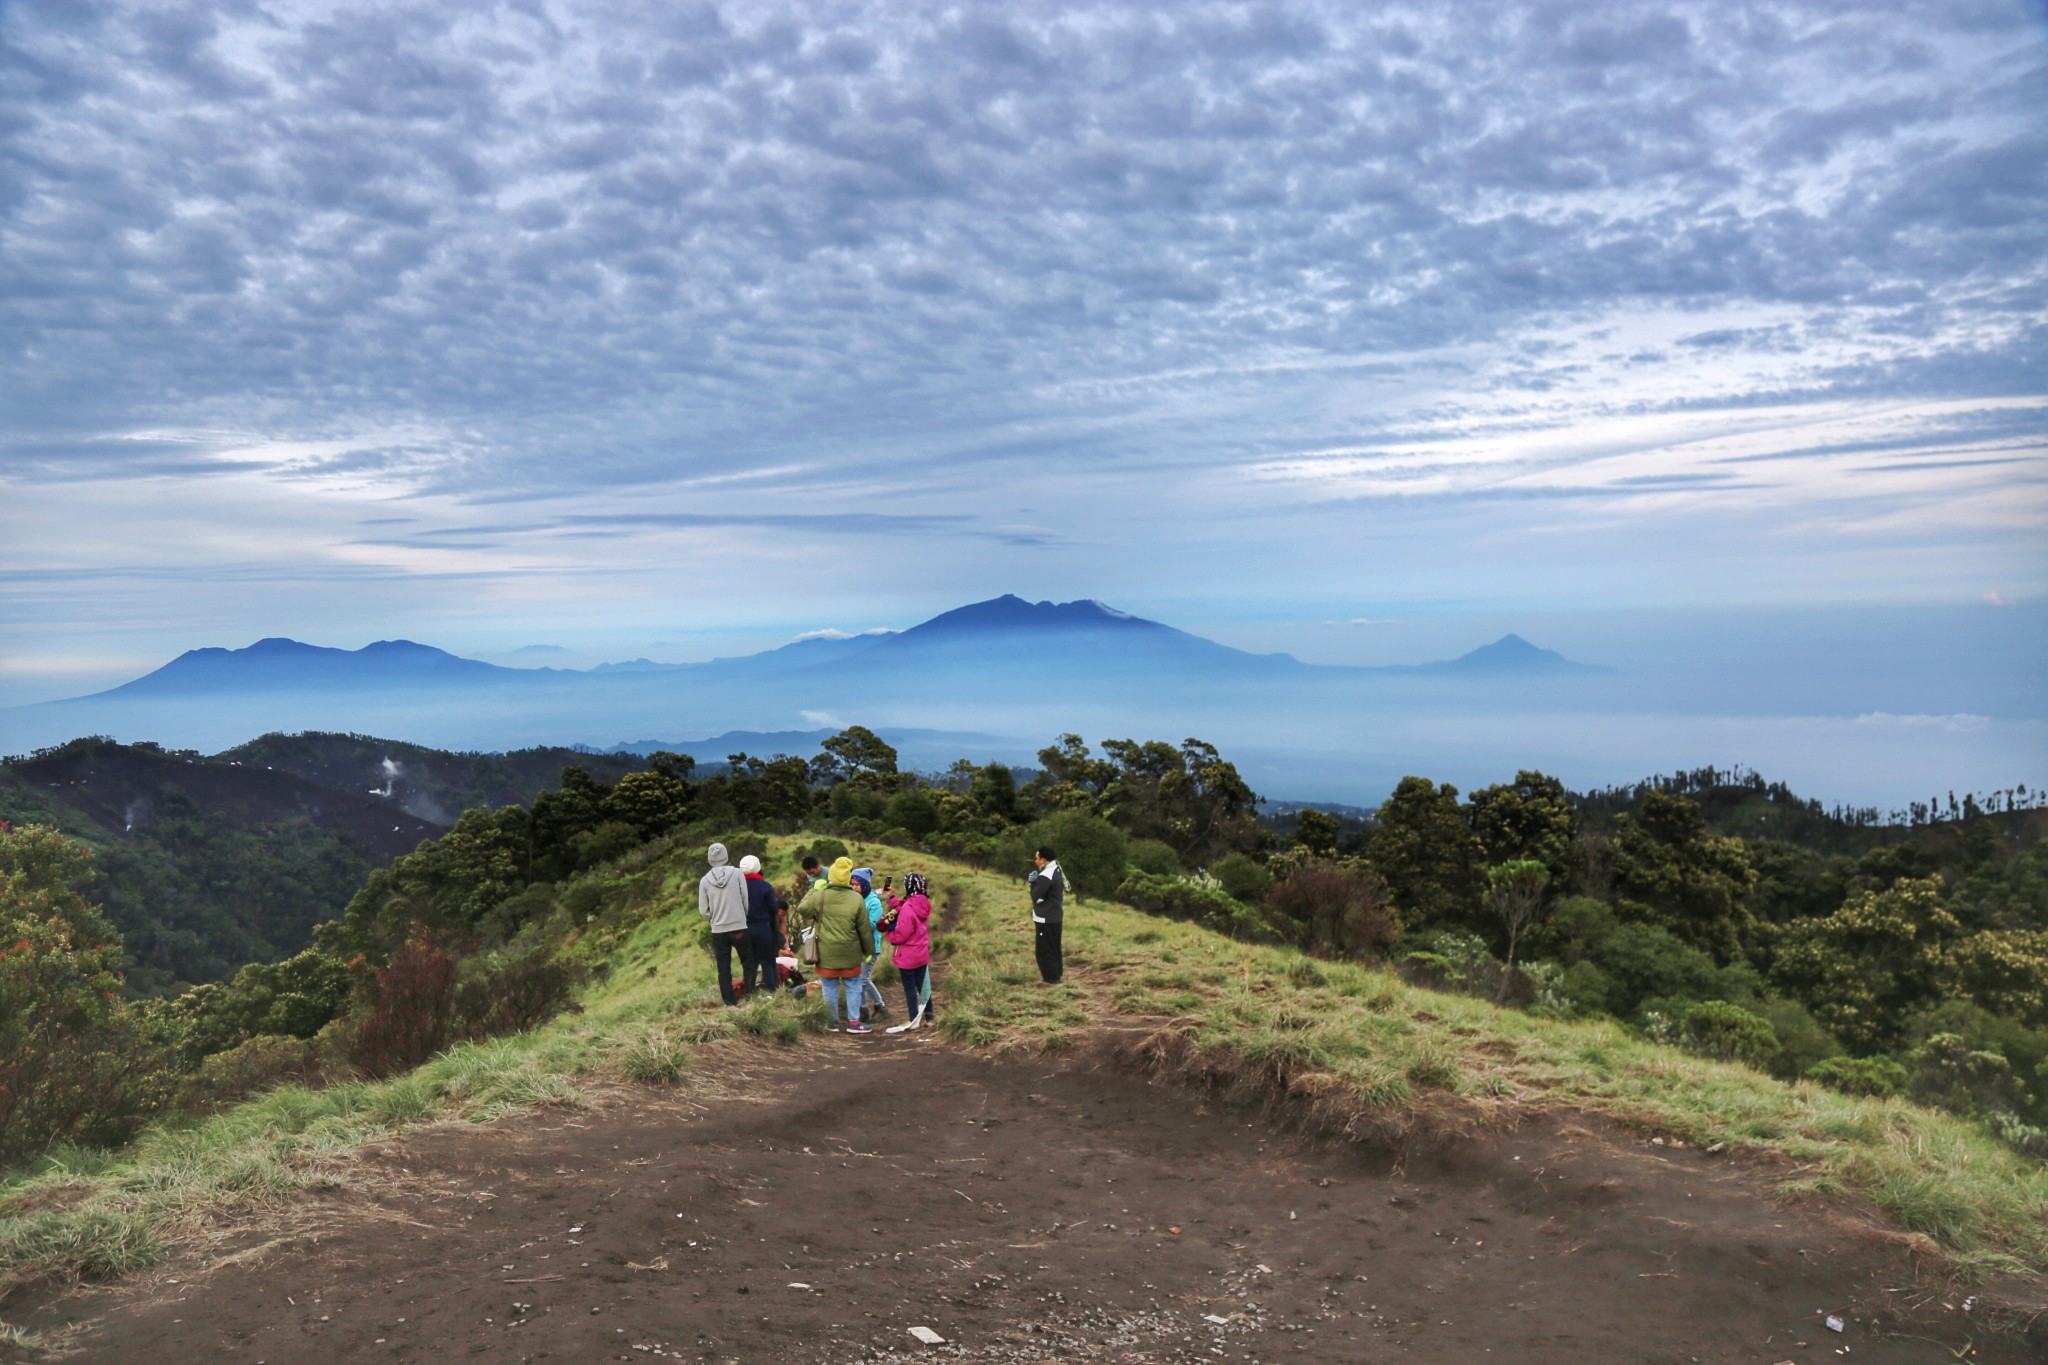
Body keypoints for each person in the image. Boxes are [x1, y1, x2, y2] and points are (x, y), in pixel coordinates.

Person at [793, 856, 877, 1033]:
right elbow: (864, 930)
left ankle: (831, 1023)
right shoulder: (856, 899)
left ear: (830, 875)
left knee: (829, 987)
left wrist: (814, 890)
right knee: (853, 985)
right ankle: (854, 1023)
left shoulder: (821, 896)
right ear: (847, 878)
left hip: (826, 953)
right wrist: (868, 951)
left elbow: (801, 908)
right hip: (850, 952)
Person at [698, 843, 754, 1005]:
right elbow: (745, 899)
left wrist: (714, 919)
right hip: (739, 926)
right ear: (726, 856)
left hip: (718, 931)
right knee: (748, 963)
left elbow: (703, 910)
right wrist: (741, 915)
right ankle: (750, 996)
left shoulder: (704, 881)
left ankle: (729, 1002)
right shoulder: (737, 873)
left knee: (723, 967)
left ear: (710, 859)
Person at [883, 870, 935, 1024]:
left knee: (910, 988)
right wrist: (892, 898)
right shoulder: (923, 903)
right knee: (923, 987)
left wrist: (889, 936)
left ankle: (914, 1020)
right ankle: (930, 1017)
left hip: (907, 956)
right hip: (921, 954)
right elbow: (906, 905)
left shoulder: (907, 908)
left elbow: (901, 934)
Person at [738, 854, 783, 997]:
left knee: (749, 960)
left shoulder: (737, 887)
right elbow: (772, 908)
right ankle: (770, 990)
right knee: (767, 960)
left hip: (743, 927)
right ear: (757, 868)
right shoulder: (765, 886)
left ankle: (749, 990)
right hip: (763, 927)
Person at [849, 867, 889, 1021]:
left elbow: (873, 924)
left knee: (863, 979)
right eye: (852, 884)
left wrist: (854, 922)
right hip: (858, 946)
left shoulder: (874, 902)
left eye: (857, 885)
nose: (854, 888)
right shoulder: (857, 899)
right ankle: (863, 1010)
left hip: (871, 947)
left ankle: (880, 1006)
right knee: (858, 978)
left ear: (865, 884)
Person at [1028, 845, 1065, 984]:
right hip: (1055, 916)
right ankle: (1056, 974)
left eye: (1037, 858)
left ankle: (1051, 979)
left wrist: (1033, 883)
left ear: (1043, 860)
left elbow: (1036, 896)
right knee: (1054, 946)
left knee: (1044, 950)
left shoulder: (1045, 875)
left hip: (1046, 918)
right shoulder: (1056, 868)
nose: (1035, 861)